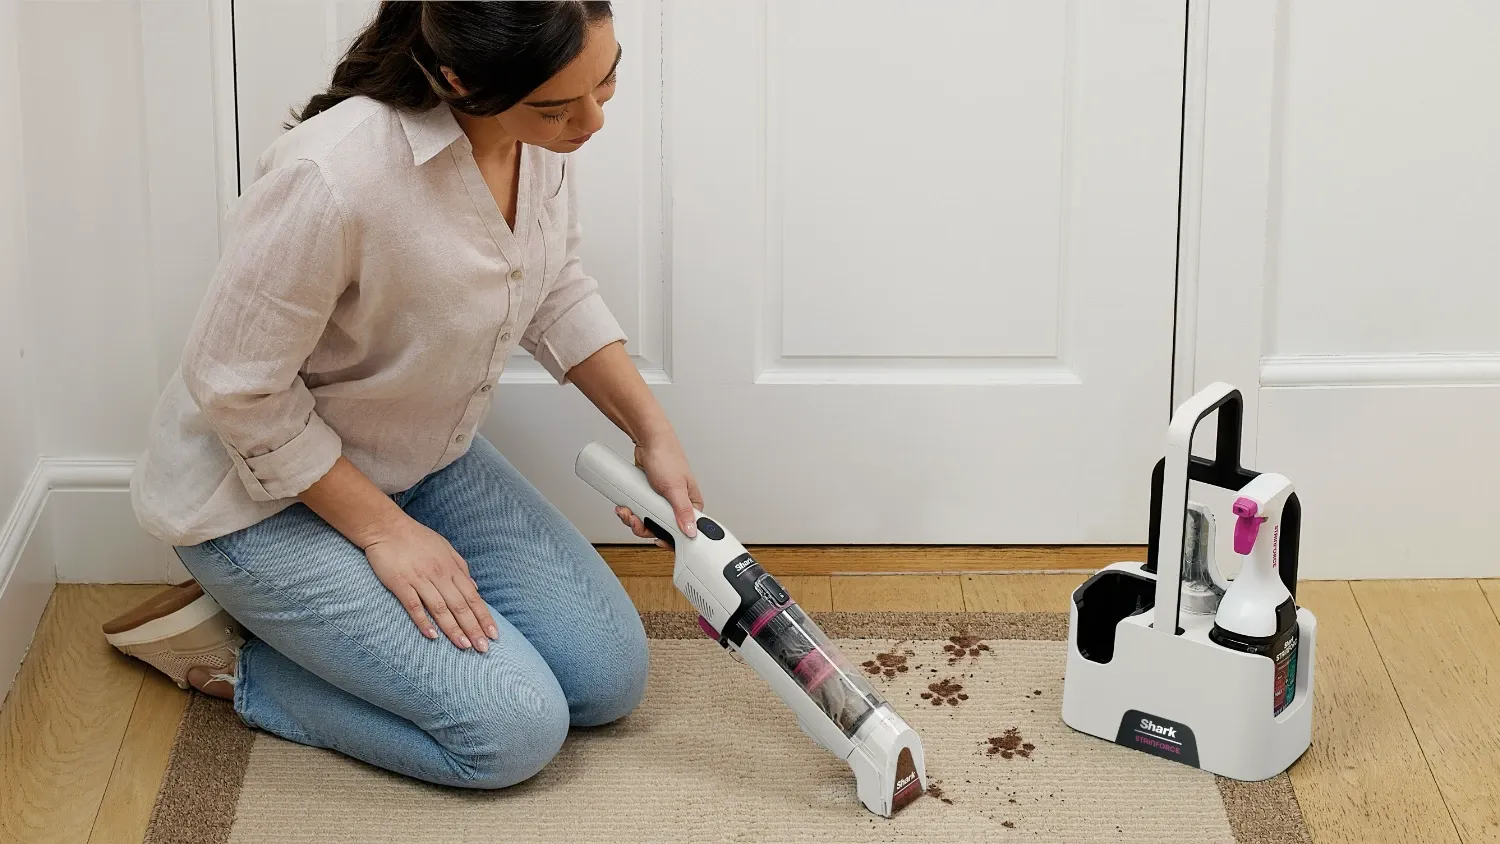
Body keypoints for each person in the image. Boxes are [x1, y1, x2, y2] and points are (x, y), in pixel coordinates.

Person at [103, 1, 701, 791]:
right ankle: (232, 660)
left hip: (421, 463)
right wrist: (386, 533)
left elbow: (552, 285)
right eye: (558, 107)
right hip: (258, 501)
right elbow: (235, 389)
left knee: (608, 679)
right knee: (513, 733)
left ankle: (342, 629)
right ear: (461, 79)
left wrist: (651, 433)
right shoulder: (332, 175)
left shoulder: (534, 140)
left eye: (607, 81)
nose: (592, 122)